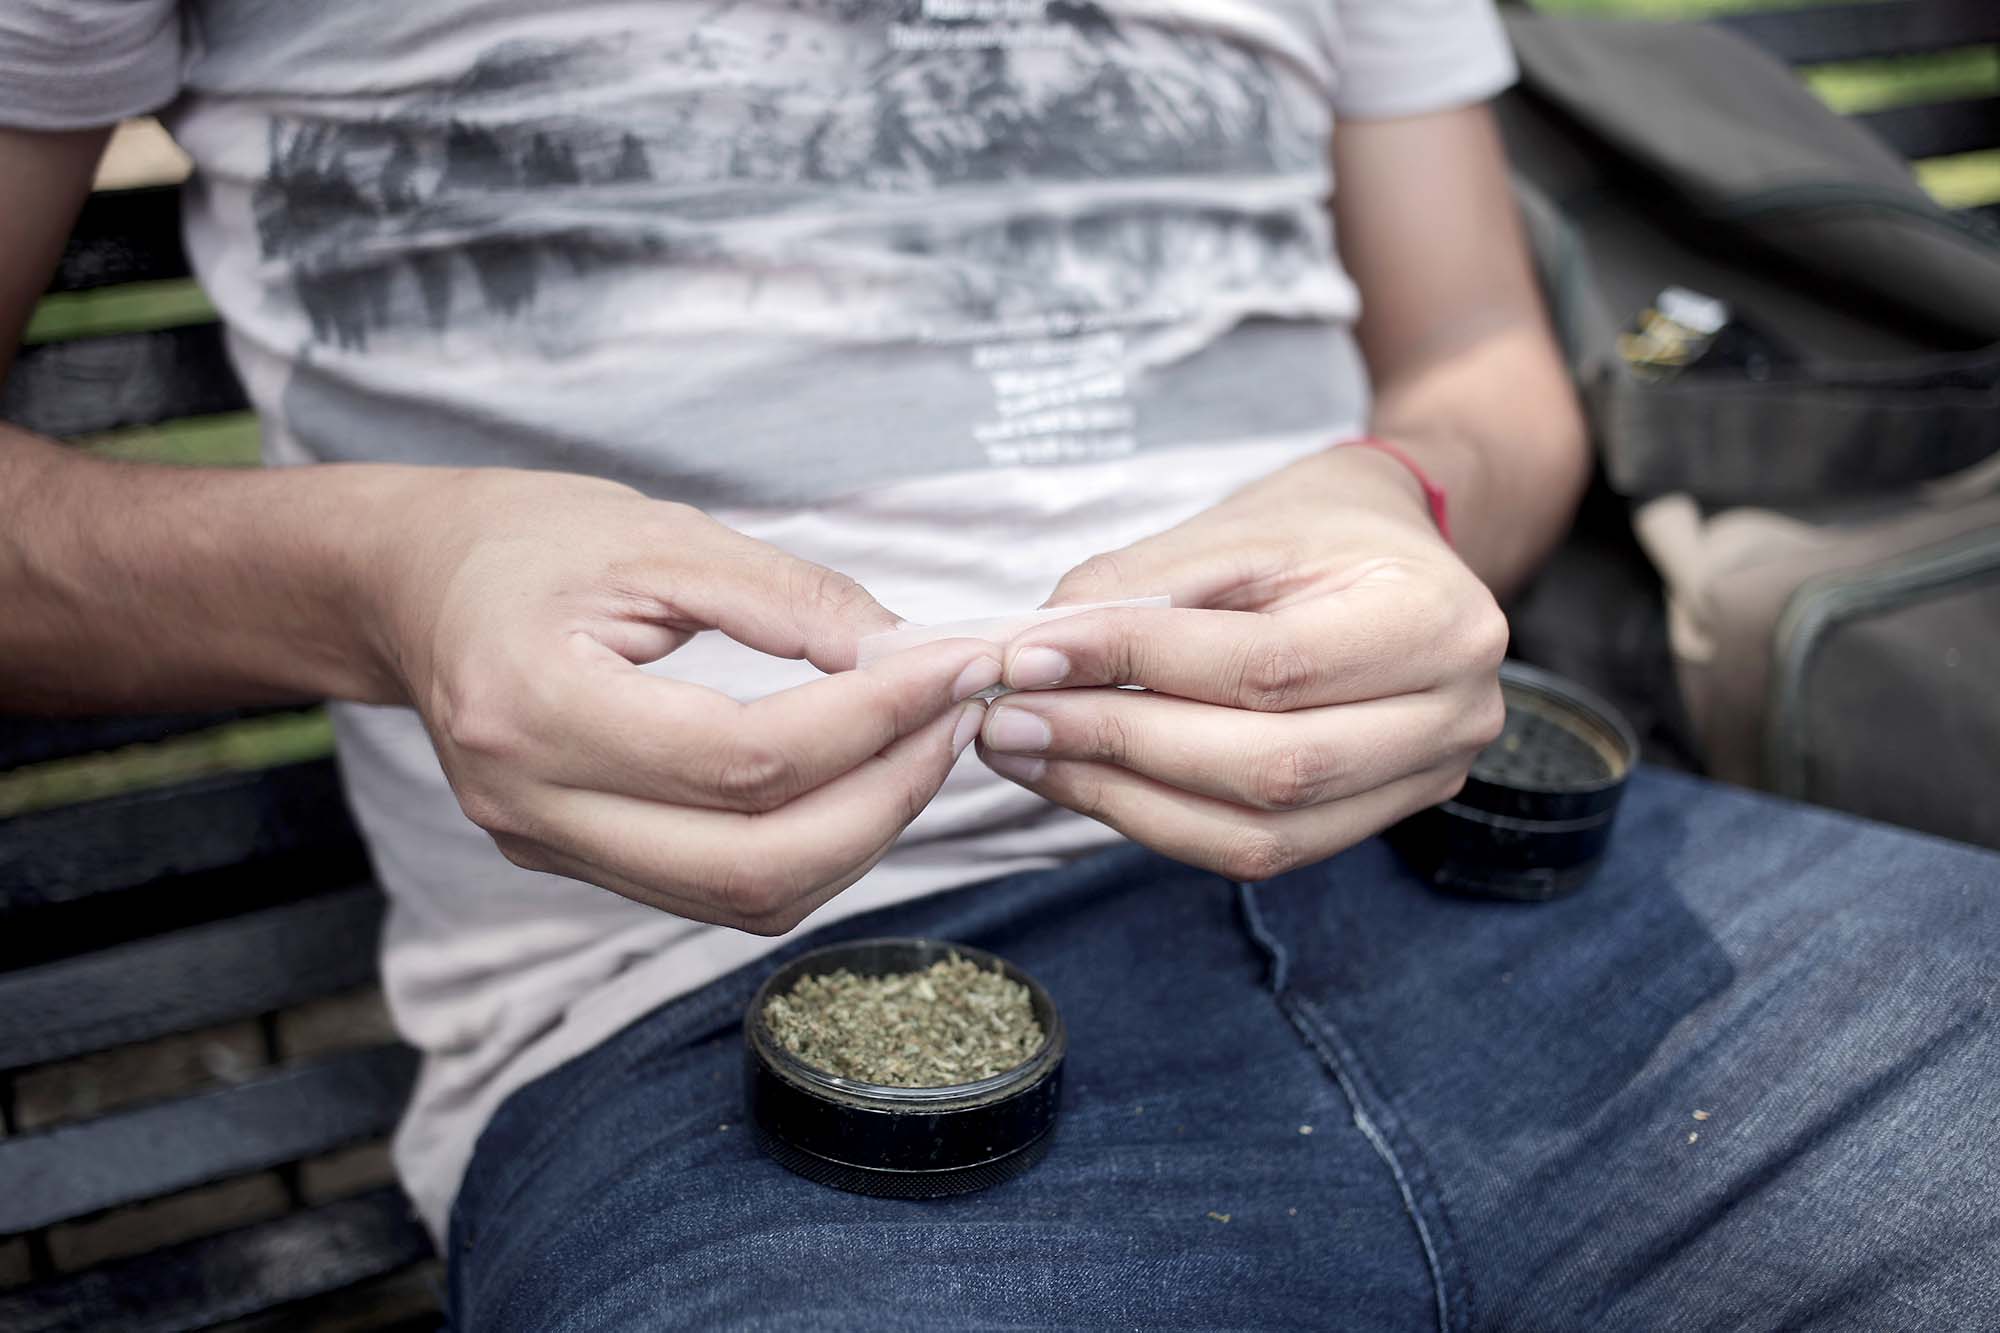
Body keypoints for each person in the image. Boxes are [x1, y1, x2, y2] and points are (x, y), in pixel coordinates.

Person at [5, 2, 1997, 1329]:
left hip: (1546, 895)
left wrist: (1402, 487)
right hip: (691, 1035)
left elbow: (1481, 363)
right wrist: (382, 580)